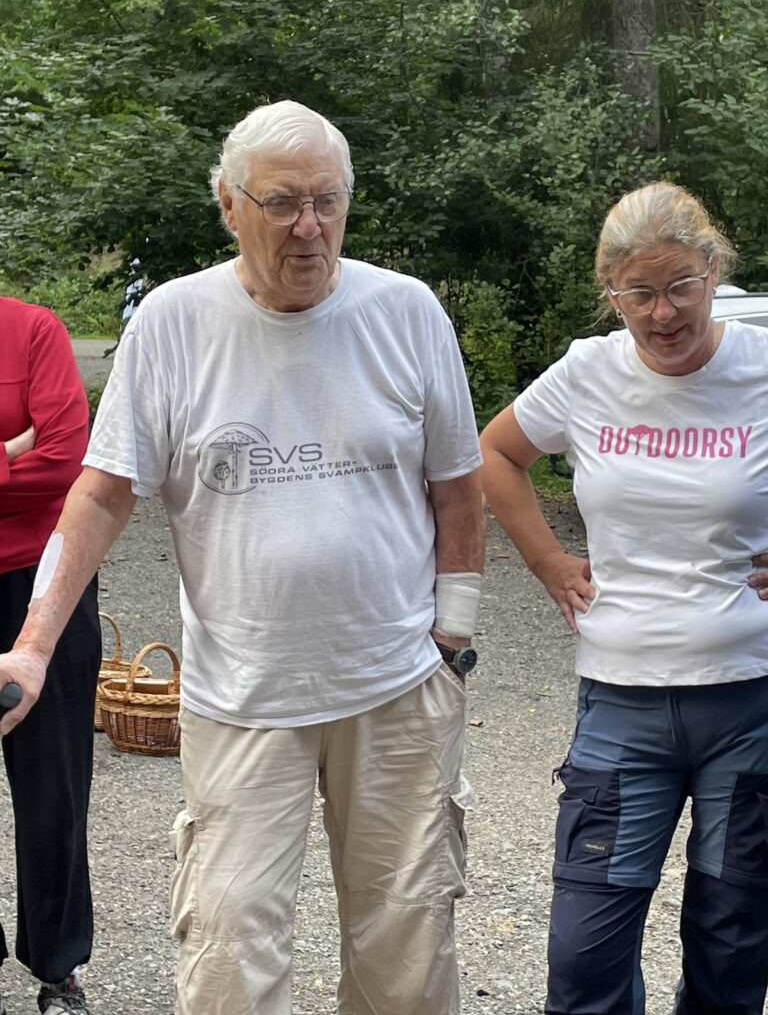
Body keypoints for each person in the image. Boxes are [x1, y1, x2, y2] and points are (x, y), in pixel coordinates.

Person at [0, 100, 485, 1015]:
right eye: (283, 203)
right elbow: (101, 494)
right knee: (228, 954)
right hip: (242, 696)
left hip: (396, 687)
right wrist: (32, 647)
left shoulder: (407, 311)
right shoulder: (173, 322)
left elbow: (458, 488)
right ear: (229, 204)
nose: (310, 227)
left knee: (408, 947)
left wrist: (453, 639)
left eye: (328, 202)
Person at [480, 182, 768, 1015]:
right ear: (611, 294)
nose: (662, 313)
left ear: (714, 272)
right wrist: (549, 562)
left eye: (680, 286)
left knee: (734, 948)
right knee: (584, 959)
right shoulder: (587, 372)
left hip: (749, 700)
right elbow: (495, 453)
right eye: (638, 293)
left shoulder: (760, 366)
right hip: (621, 701)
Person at [0, 296, 101, 1015]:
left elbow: (64, 460)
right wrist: (9, 454)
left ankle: (58, 967)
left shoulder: (33, 330)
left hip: (42, 585)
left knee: (53, 784)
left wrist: (26, 459)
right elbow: (33, 461)